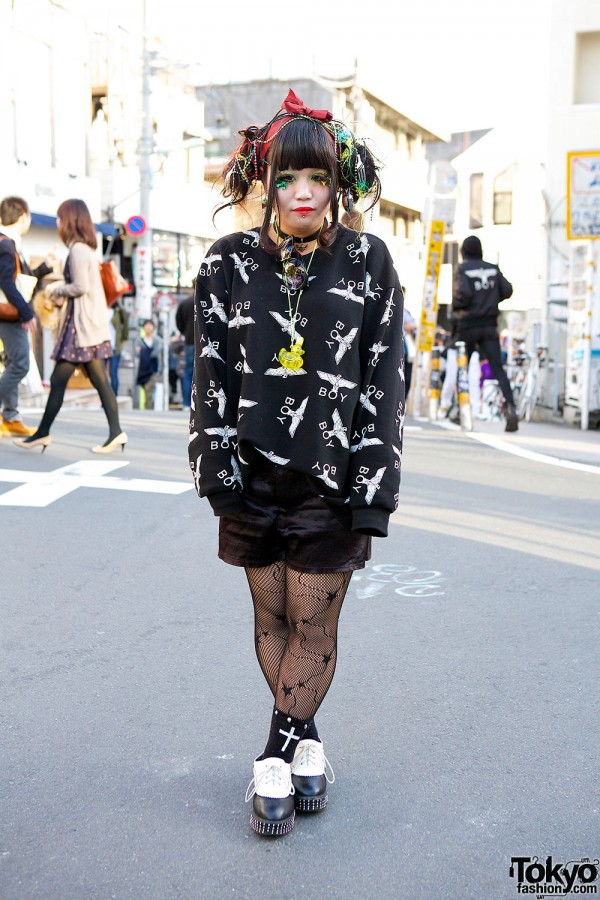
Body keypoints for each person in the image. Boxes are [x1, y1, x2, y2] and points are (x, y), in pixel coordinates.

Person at [188, 89, 405, 837]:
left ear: (338, 183)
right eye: (287, 179)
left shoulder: (370, 261)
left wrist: (375, 486)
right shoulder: (225, 264)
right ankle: (307, 744)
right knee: (271, 616)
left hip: (333, 479)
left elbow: (384, 378)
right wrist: (214, 465)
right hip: (249, 473)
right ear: (266, 183)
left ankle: (273, 753)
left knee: (313, 624)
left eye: (317, 179)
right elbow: (210, 371)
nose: (303, 193)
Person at [13, 198, 127, 454]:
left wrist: (56, 288)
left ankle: (42, 434)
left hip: (81, 328)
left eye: (61, 217)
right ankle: (115, 432)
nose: (58, 222)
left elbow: (80, 287)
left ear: (71, 220)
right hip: (87, 326)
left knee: (62, 380)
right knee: (97, 380)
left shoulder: (77, 249)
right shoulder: (85, 248)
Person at [0, 196, 55, 437]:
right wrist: (26, 312)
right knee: (20, 364)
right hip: (9, 315)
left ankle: (10, 416)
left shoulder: (11, 243)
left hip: (11, 313)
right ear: (22, 216)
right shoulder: (5, 244)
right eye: (28, 216)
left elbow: (22, 279)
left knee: (13, 363)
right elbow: (5, 283)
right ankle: (9, 415)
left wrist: (45, 267)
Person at [452, 235, 518, 432]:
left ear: (464, 250)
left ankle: (460, 410)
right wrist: (490, 297)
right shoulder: (492, 268)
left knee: (463, 368)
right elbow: (507, 290)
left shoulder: (462, 268)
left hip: (468, 325)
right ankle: (512, 409)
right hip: (490, 325)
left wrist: (458, 307)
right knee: (498, 368)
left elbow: (463, 295)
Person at [136, 318, 163, 409]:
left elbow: (156, 353)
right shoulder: (139, 341)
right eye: (146, 325)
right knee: (145, 390)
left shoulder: (157, 340)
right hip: (142, 370)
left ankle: (148, 409)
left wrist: (144, 352)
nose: (148, 327)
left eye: (150, 325)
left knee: (149, 391)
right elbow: (137, 354)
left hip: (153, 369)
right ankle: (147, 408)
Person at [175, 291, 195, 408]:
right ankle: (199, 404)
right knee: (204, 372)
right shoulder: (207, 300)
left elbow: (179, 322)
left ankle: (186, 403)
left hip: (189, 341)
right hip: (205, 342)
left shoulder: (185, 303)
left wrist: (185, 332)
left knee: (188, 372)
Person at [106, 300, 129, 395]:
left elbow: (125, 327)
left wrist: (124, 340)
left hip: (115, 347)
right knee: (101, 374)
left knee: (113, 372)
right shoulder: (100, 309)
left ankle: (113, 396)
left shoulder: (119, 311)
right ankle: (104, 396)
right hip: (103, 347)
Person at [401, 288, 417, 399]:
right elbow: (409, 326)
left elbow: (412, 326)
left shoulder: (405, 311)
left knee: (407, 377)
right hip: (398, 344)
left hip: (405, 346)